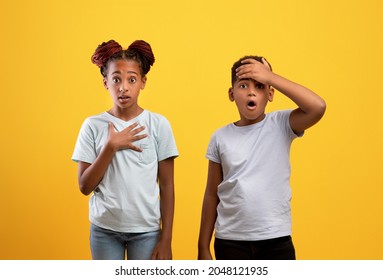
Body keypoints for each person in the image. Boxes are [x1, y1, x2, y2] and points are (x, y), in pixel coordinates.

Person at [198, 55, 326, 260]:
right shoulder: (220, 137)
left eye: (259, 85)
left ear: (270, 93)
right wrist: (203, 246)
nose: (251, 91)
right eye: (243, 85)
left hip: (276, 240)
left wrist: (270, 76)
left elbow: (317, 107)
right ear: (231, 94)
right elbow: (211, 194)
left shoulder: (282, 124)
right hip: (230, 241)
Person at [72, 39, 178, 260]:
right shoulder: (92, 125)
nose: (123, 87)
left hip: (147, 231)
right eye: (116, 79)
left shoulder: (158, 124)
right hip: (104, 230)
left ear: (143, 82)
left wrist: (166, 239)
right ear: (105, 83)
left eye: (131, 79)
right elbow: (84, 185)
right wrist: (110, 147)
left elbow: (167, 186)